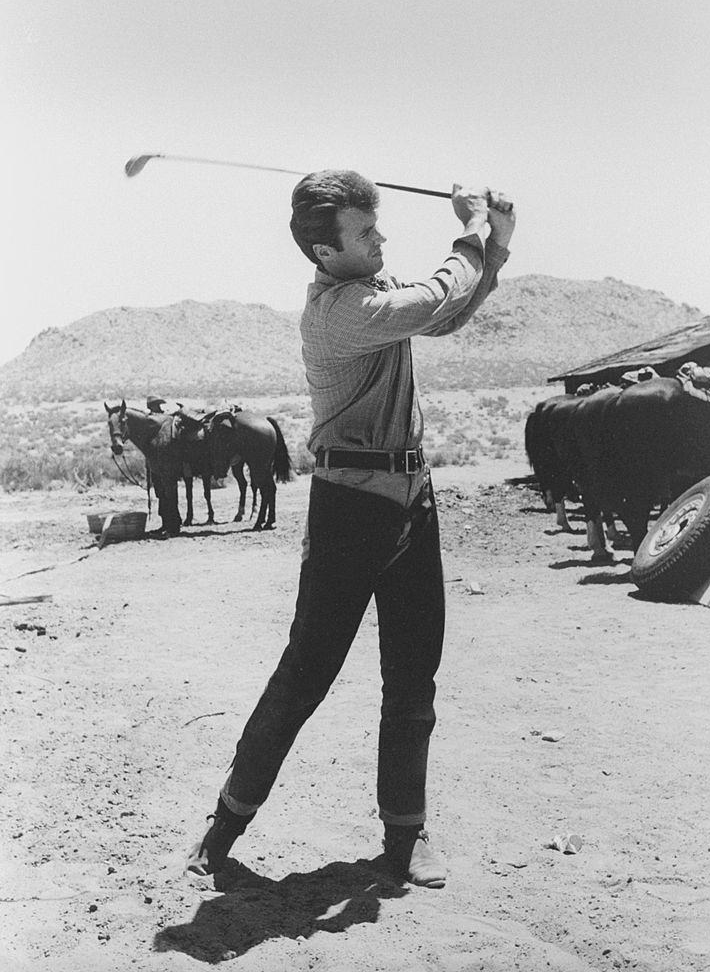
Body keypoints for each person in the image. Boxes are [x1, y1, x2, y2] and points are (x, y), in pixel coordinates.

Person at [187, 170, 516, 888]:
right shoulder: (339, 313)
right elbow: (436, 295)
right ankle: (227, 822)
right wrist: (471, 231)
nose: (381, 239)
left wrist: (497, 248)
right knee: (307, 672)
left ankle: (403, 840)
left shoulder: (372, 295)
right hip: (351, 508)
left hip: (411, 497)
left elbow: (447, 315)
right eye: (366, 233)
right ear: (324, 253)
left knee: (412, 679)